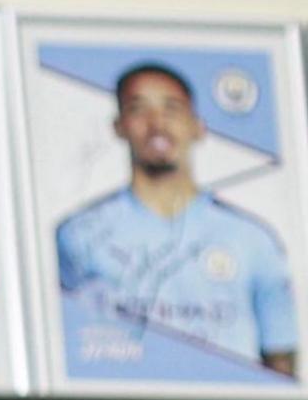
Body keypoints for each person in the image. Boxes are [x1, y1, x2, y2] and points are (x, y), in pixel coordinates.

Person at [53, 59, 298, 377]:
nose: (157, 124)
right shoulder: (78, 234)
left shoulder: (252, 238)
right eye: (139, 109)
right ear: (119, 126)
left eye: (172, 109)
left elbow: (281, 367)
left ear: (198, 127)